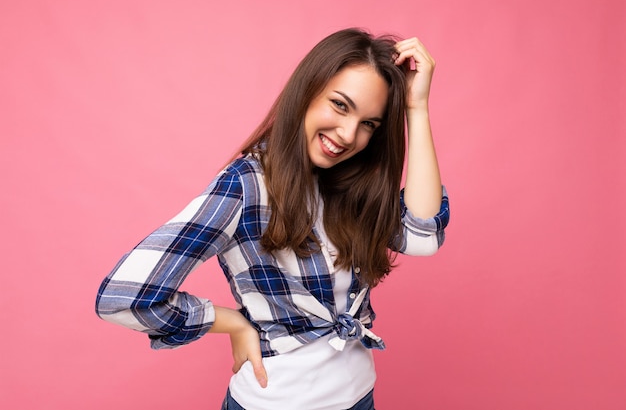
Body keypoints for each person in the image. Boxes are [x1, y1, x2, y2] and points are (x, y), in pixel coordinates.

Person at [96, 28, 450, 410]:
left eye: (369, 124)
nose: (348, 134)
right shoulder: (246, 186)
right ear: (308, 90)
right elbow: (124, 296)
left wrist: (417, 108)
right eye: (340, 105)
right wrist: (230, 321)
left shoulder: (350, 182)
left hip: (358, 395)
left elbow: (423, 235)